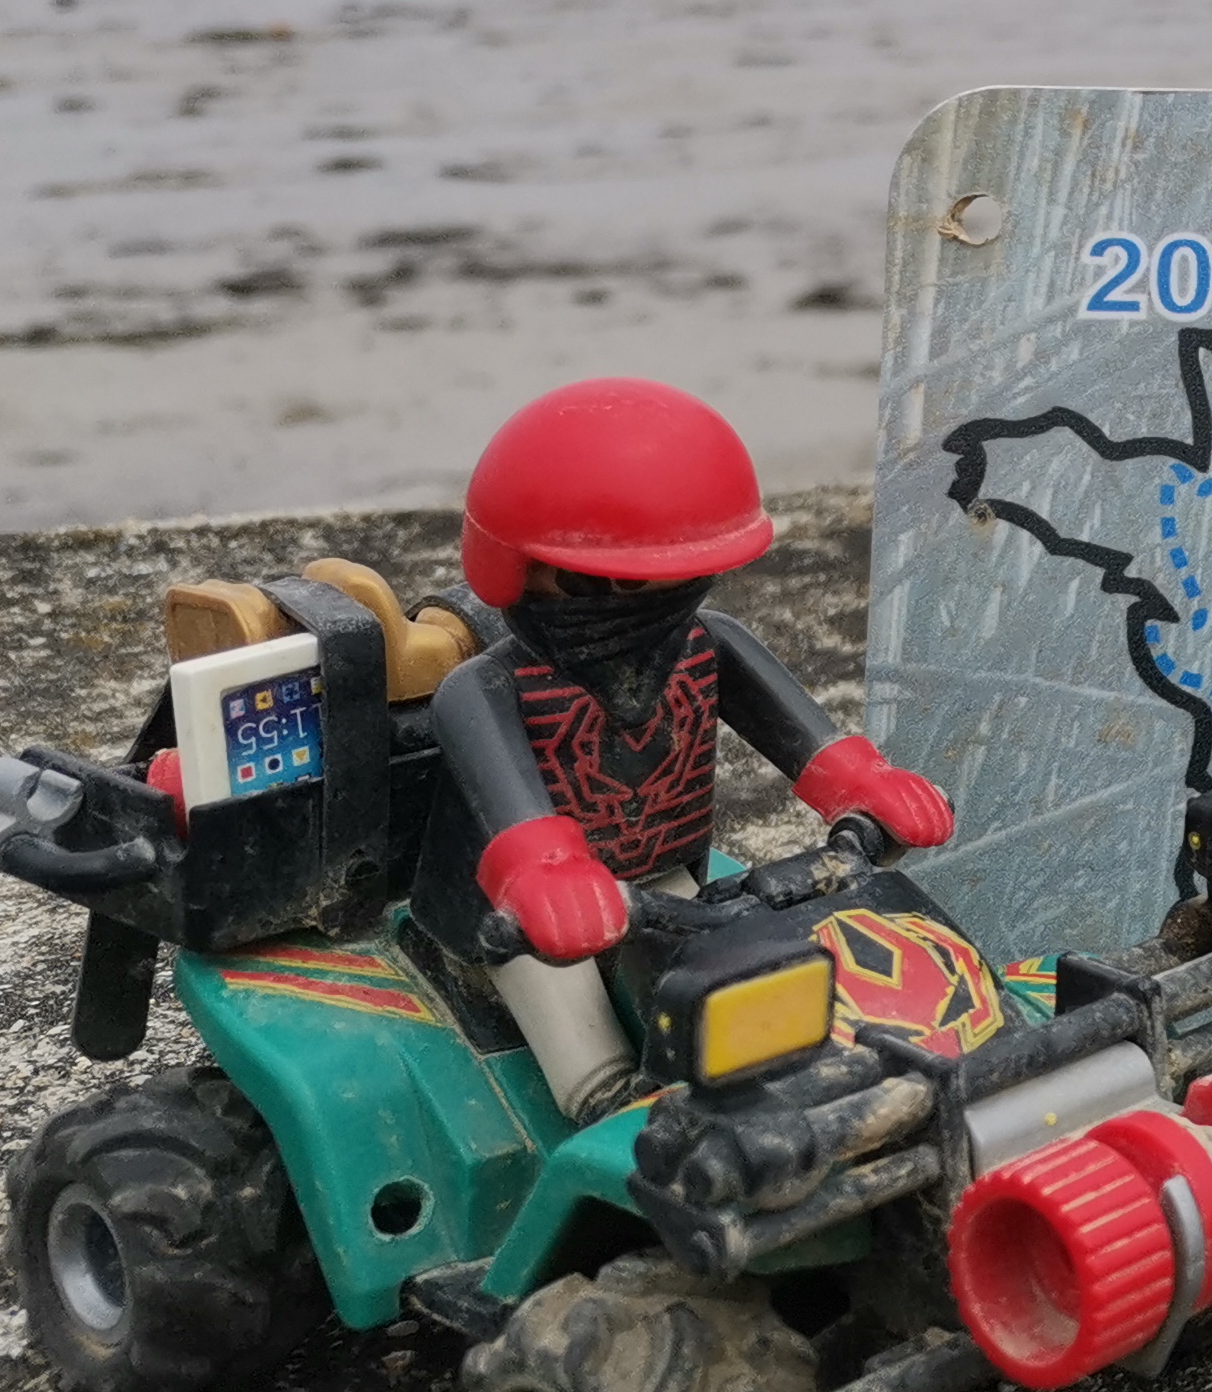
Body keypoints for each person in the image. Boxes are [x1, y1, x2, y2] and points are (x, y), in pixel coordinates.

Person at [406, 379, 956, 1120]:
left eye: (670, 581)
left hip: (657, 880)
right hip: (515, 913)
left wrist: (865, 784)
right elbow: (514, 812)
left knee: (750, 991)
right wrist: (548, 873)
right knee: (568, 1004)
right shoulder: (485, 689)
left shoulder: (707, 644)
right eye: (607, 582)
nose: (643, 607)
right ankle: (607, 1104)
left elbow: (806, 738)